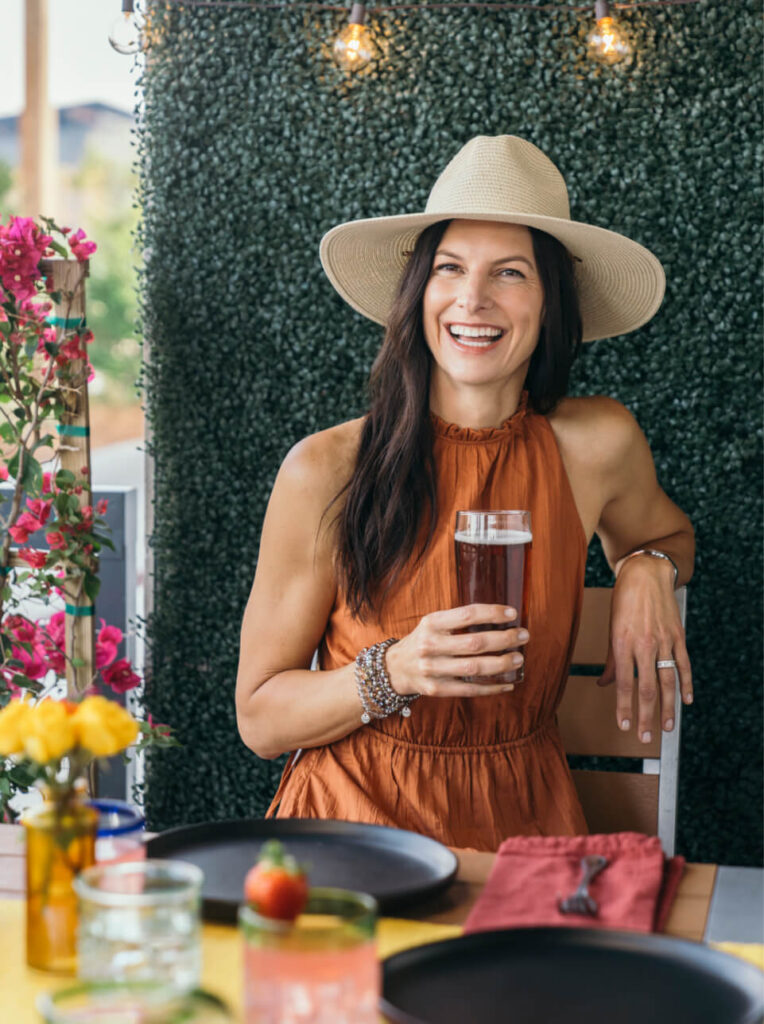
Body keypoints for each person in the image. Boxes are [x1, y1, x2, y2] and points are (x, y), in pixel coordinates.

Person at [235, 136, 694, 851]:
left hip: (522, 830)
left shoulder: (597, 443)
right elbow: (261, 718)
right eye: (450, 268)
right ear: (421, 290)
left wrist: (645, 567)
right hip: (349, 834)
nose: (472, 299)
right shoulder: (325, 468)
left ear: (549, 303)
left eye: (509, 273)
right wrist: (394, 670)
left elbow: (667, 538)